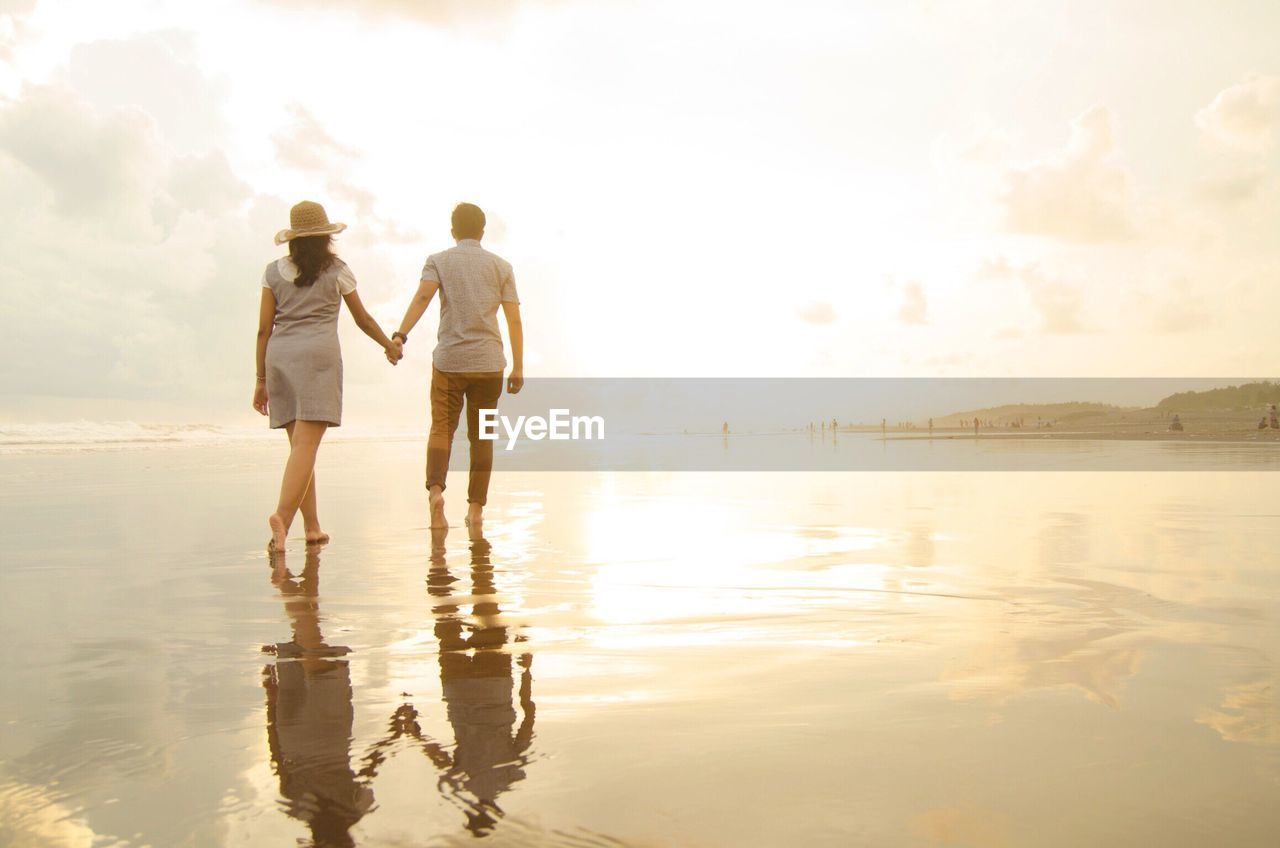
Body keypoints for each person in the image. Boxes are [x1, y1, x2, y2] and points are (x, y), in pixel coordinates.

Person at [254, 201, 402, 552]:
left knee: (299, 449)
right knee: (305, 447)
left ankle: (312, 527)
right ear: (325, 238)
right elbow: (363, 319)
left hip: (280, 358)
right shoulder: (338, 271)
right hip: (318, 359)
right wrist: (389, 346)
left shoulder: (272, 272)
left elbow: (263, 329)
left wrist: (260, 380)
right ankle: (283, 519)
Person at [393, 203, 523, 530]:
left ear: (453, 232)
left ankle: (436, 493)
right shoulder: (501, 267)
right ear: (482, 231)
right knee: (482, 437)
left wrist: (400, 335)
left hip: (449, 361)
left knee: (442, 429)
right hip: (489, 363)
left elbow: (423, 298)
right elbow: (513, 319)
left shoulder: (438, 261)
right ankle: (476, 509)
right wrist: (518, 366)